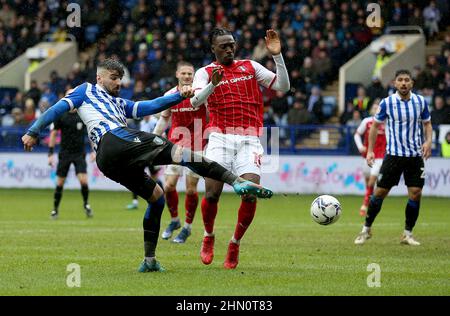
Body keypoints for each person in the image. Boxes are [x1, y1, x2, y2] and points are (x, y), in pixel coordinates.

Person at [22, 58, 273, 273]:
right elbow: (56, 108)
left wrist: (179, 95)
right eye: (113, 78)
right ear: (99, 77)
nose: (118, 83)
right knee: (182, 153)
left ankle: (149, 260)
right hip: (115, 140)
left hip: (109, 161)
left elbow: (149, 107)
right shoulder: (85, 90)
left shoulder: (120, 104)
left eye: (120, 79)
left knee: (157, 197)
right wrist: (34, 131)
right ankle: (236, 181)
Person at [190, 28, 290, 269]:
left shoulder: (250, 67)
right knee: (212, 193)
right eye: (223, 46)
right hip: (219, 138)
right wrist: (213, 85)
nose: (229, 49)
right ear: (213, 48)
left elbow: (283, 87)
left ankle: (234, 244)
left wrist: (277, 56)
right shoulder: (204, 73)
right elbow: (195, 102)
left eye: (232, 45)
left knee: (250, 194)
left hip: (249, 139)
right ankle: (209, 235)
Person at [354, 69, 432, 246]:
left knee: (416, 193)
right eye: (400, 80)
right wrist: (371, 151)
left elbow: (427, 124)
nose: (404, 83)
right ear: (395, 83)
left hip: (414, 156)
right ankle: (366, 229)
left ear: (412, 83)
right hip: (393, 156)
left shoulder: (420, 101)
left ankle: (407, 233)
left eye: (407, 80)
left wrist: (428, 142)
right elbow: (374, 127)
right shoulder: (387, 103)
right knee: (380, 192)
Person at [153, 61, 207, 244]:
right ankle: (175, 220)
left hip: (197, 145)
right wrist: (153, 139)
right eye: (183, 73)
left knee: (191, 188)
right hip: (176, 144)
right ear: (177, 74)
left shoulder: (200, 94)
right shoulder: (170, 95)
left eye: (189, 74)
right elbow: (164, 119)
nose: (186, 76)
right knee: (168, 186)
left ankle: (187, 227)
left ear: (194, 76)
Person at [48, 96, 95, 219]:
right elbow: (53, 134)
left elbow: (91, 134)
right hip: (65, 153)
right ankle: (55, 209)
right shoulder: (61, 116)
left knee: (83, 181)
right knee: (60, 182)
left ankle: (86, 205)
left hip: (79, 154)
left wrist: (93, 150)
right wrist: (50, 153)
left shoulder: (82, 115)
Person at [353, 101, 386, 216]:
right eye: (374, 108)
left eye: (378, 108)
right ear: (372, 110)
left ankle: (364, 205)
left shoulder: (386, 123)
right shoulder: (366, 121)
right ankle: (373, 202)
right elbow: (357, 134)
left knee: (372, 182)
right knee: (368, 184)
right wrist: (360, 146)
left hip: (380, 158)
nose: (376, 110)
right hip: (367, 157)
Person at [125, 114, 160, 210]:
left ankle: (160, 198)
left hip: (153, 153)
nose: (144, 115)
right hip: (143, 153)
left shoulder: (154, 122)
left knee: (154, 177)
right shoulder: (142, 123)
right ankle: (135, 202)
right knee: (135, 175)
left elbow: (160, 136)